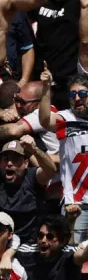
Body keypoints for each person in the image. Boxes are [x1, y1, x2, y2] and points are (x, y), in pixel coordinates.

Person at [0, 135, 56, 247]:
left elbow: (51, 170)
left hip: (29, 244)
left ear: (26, 163)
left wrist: (35, 150)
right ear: (0, 163)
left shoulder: (34, 177)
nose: (9, 163)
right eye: (6, 159)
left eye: (15, 159)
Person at [38, 73, 88, 242]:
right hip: (76, 204)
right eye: (73, 95)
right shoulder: (67, 119)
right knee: (73, 253)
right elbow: (45, 120)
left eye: (82, 94)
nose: (77, 99)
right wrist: (46, 88)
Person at [30, 0, 78, 110]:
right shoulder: (41, 0)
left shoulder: (80, 2)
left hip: (68, 79)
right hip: (40, 75)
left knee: (61, 123)